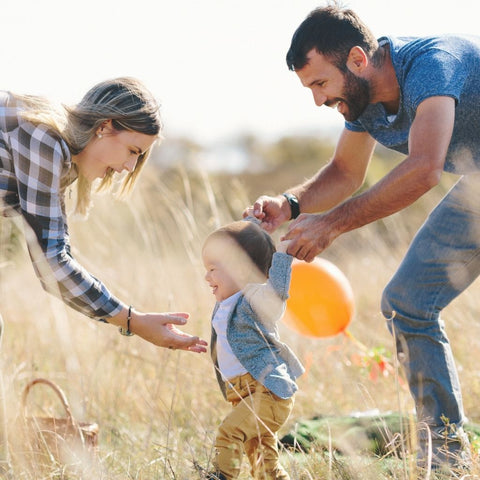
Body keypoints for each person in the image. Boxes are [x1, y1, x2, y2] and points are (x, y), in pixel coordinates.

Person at [245, 3, 480, 473]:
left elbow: (425, 168)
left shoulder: (434, 65)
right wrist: (290, 204)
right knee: (407, 303)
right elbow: (344, 171)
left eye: (320, 84)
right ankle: (446, 462)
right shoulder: (363, 101)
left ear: (356, 60)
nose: (317, 100)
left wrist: (331, 224)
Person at [0, 77, 207, 474]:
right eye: (132, 150)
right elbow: (53, 266)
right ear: (105, 126)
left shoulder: (52, 148)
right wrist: (132, 321)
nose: (129, 166)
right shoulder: (45, 139)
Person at [201, 220, 304, 480]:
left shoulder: (254, 298)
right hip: (244, 395)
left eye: (213, 269)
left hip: (267, 391)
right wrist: (254, 225)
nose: (207, 277)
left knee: (229, 433)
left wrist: (282, 256)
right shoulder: (225, 303)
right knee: (262, 461)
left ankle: (222, 476)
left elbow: (277, 294)